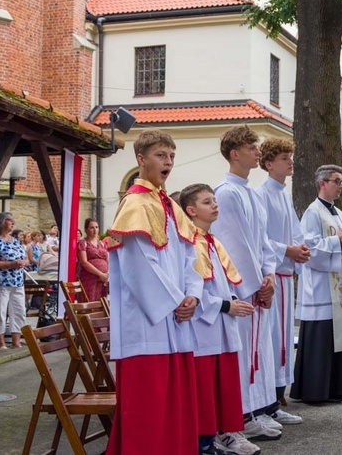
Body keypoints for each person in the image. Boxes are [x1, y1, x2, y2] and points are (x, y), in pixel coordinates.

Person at [107, 130, 203, 455]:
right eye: (161, 155)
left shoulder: (169, 206)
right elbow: (139, 266)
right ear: (141, 160)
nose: (168, 162)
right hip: (148, 325)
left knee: (173, 405)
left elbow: (192, 256)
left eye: (172, 156)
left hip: (176, 320)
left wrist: (193, 295)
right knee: (149, 407)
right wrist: (177, 301)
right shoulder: (134, 204)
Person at [210, 126, 282, 448]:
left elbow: (263, 242)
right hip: (241, 288)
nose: (257, 151)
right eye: (251, 146)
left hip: (257, 284)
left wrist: (269, 274)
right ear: (234, 153)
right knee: (243, 353)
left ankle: (256, 409)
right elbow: (234, 246)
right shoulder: (226, 192)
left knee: (259, 351)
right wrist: (255, 285)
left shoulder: (251, 193)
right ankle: (238, 416)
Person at [180, 183, 256, 455]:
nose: (215, 205)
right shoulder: (189, 243)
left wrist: (233, 301)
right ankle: (203, 442)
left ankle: (223, 435)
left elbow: (222, 283)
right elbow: (193, 291)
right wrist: (226, 306)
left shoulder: (212, 242)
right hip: (204, 328)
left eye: (214, 200)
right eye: (206, 202)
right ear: (190, 210)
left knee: (223, 384)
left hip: (222, 326)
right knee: (205, 387)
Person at [290, 165, 342, 403]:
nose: (340, 186)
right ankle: (315, 390)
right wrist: (336, 240)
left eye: (341, 181)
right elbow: (309, 249)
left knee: (340, 337)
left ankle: (337, 388)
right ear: (322, 183)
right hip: (320, 286)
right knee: (322, 338)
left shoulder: (339, 213)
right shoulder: (312, 212)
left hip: (339, 285)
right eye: (337, 181)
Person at [255, 137, 309, 425]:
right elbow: (261, 237)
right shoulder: (262, 194)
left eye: (290, 156)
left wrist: (300, 248)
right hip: (272, 276)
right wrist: (286, 250)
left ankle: (276, 400)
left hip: (286, 276)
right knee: (272, 339)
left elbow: (295, 230)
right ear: (268, 163)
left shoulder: (284, 194)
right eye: (284, 157)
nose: (290, 162)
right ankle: (267, 403)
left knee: (285, 339)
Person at [0, 212, 28, 349]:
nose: (13, 223)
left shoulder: (16, 241)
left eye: (13, 220)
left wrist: (23, 262)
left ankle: (16, 342)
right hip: (1, 282)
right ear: (1, 222)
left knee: (19, 311)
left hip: (17, 282)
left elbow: (26, 258)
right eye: (9, 220)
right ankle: (1, 343)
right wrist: (10, 264)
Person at [77, 218, 109, 302]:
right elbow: (84, 261)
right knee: (90, 299)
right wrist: (100, 274)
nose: (95, 230)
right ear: (86, 229)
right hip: (90, 277)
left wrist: (107, 275)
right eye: (92, 227)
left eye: (96, 227)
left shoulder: (102, 243)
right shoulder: (83, 243)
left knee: (102, 301)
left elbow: (108, 259)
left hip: (103, 279)